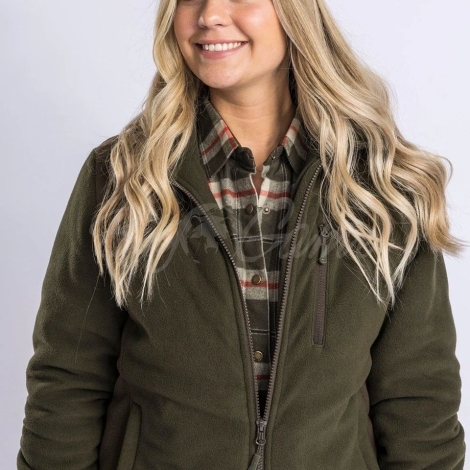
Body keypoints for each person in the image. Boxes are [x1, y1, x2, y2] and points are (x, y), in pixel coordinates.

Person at [17, 0, 466, 468]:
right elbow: (68, 378)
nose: (209, 14)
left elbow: (419, 401)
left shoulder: (383, 187)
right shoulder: (122, 179)